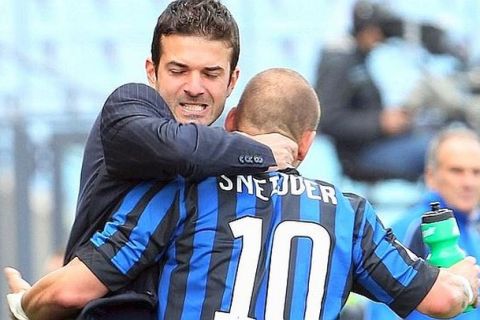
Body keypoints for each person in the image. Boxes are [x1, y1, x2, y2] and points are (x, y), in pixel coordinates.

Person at [5, 68, 480, 320]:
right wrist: (463, 283)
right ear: (308, 142)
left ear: (230, 124)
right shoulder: (349, 215)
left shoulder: (181, 192)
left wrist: (26, 303)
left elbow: (68, 292)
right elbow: (440, 301)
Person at [63, 0, 297, 265]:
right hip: (104, 304)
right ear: (152, 71)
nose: (194, 87)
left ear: (232, 81)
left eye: (210, 74)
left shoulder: (224, 159)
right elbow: (179, 148)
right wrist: (261, 151)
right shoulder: (127, 106)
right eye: (178, 71)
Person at [366, 126, 480, 320]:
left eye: (476, 172)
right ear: (430, 176)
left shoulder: (473, 229)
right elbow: (382, 310)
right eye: (457, 171)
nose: (468, 182)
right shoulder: (413, 229)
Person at [314, 0, 434, 182]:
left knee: (445, 137)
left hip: (379, 144)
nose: (382, 39)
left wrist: (393, 119)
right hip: (360, 156)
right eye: (382, 31)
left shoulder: (358, 58)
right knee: (441, 150)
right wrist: (380, 123)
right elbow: (327, 120)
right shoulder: (339, 61)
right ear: (370, 31)